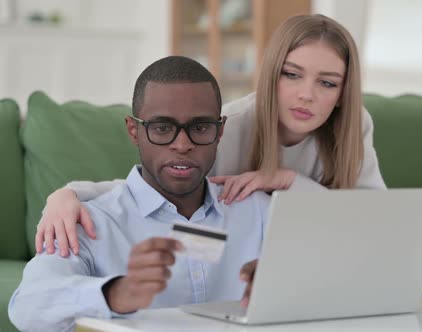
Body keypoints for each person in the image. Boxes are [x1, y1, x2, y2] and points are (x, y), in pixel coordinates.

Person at [36, 14, 387, 257]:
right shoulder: (226, 128)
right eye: (292, 75)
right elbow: (156, 190)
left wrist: (288, 181)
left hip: (315, 253)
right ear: (270, 76)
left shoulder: (355, 125)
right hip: (228, 257)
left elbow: (376, 220)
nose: (307, 94)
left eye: (326, 83)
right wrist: (69, 193)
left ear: (343, 93)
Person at [9, 56, 266, 332]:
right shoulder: (87, 221)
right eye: (162, 128)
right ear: (134, 131)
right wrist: (118, 293)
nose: (182, 145)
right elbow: (28, 307)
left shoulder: (260, 211)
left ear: (220, 131)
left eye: (200, 127)